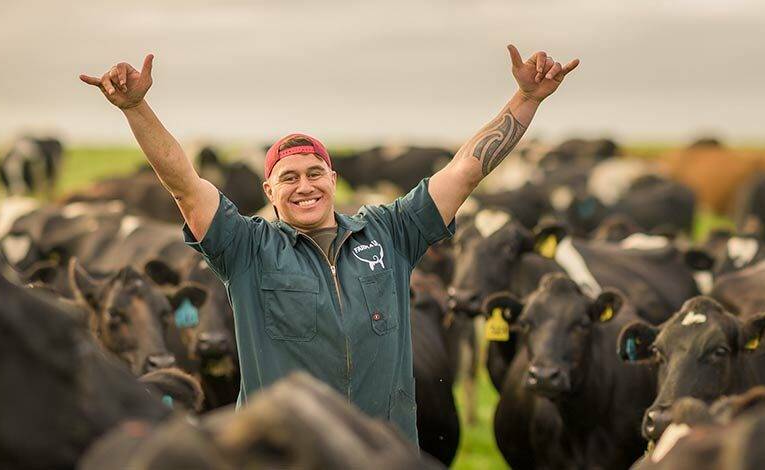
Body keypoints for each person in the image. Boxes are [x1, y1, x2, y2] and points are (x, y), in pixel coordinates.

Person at [79, 45, 578, 441]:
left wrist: (526, 100)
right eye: (288, 177)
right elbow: (185, 184)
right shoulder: (246, 249)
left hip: (384, 454)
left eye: (315, 172)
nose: (305, 185)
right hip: (285, 458)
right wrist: (136, 108)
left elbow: (465, 170)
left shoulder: (390, 232)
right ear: (269, 193)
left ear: (333, 179)